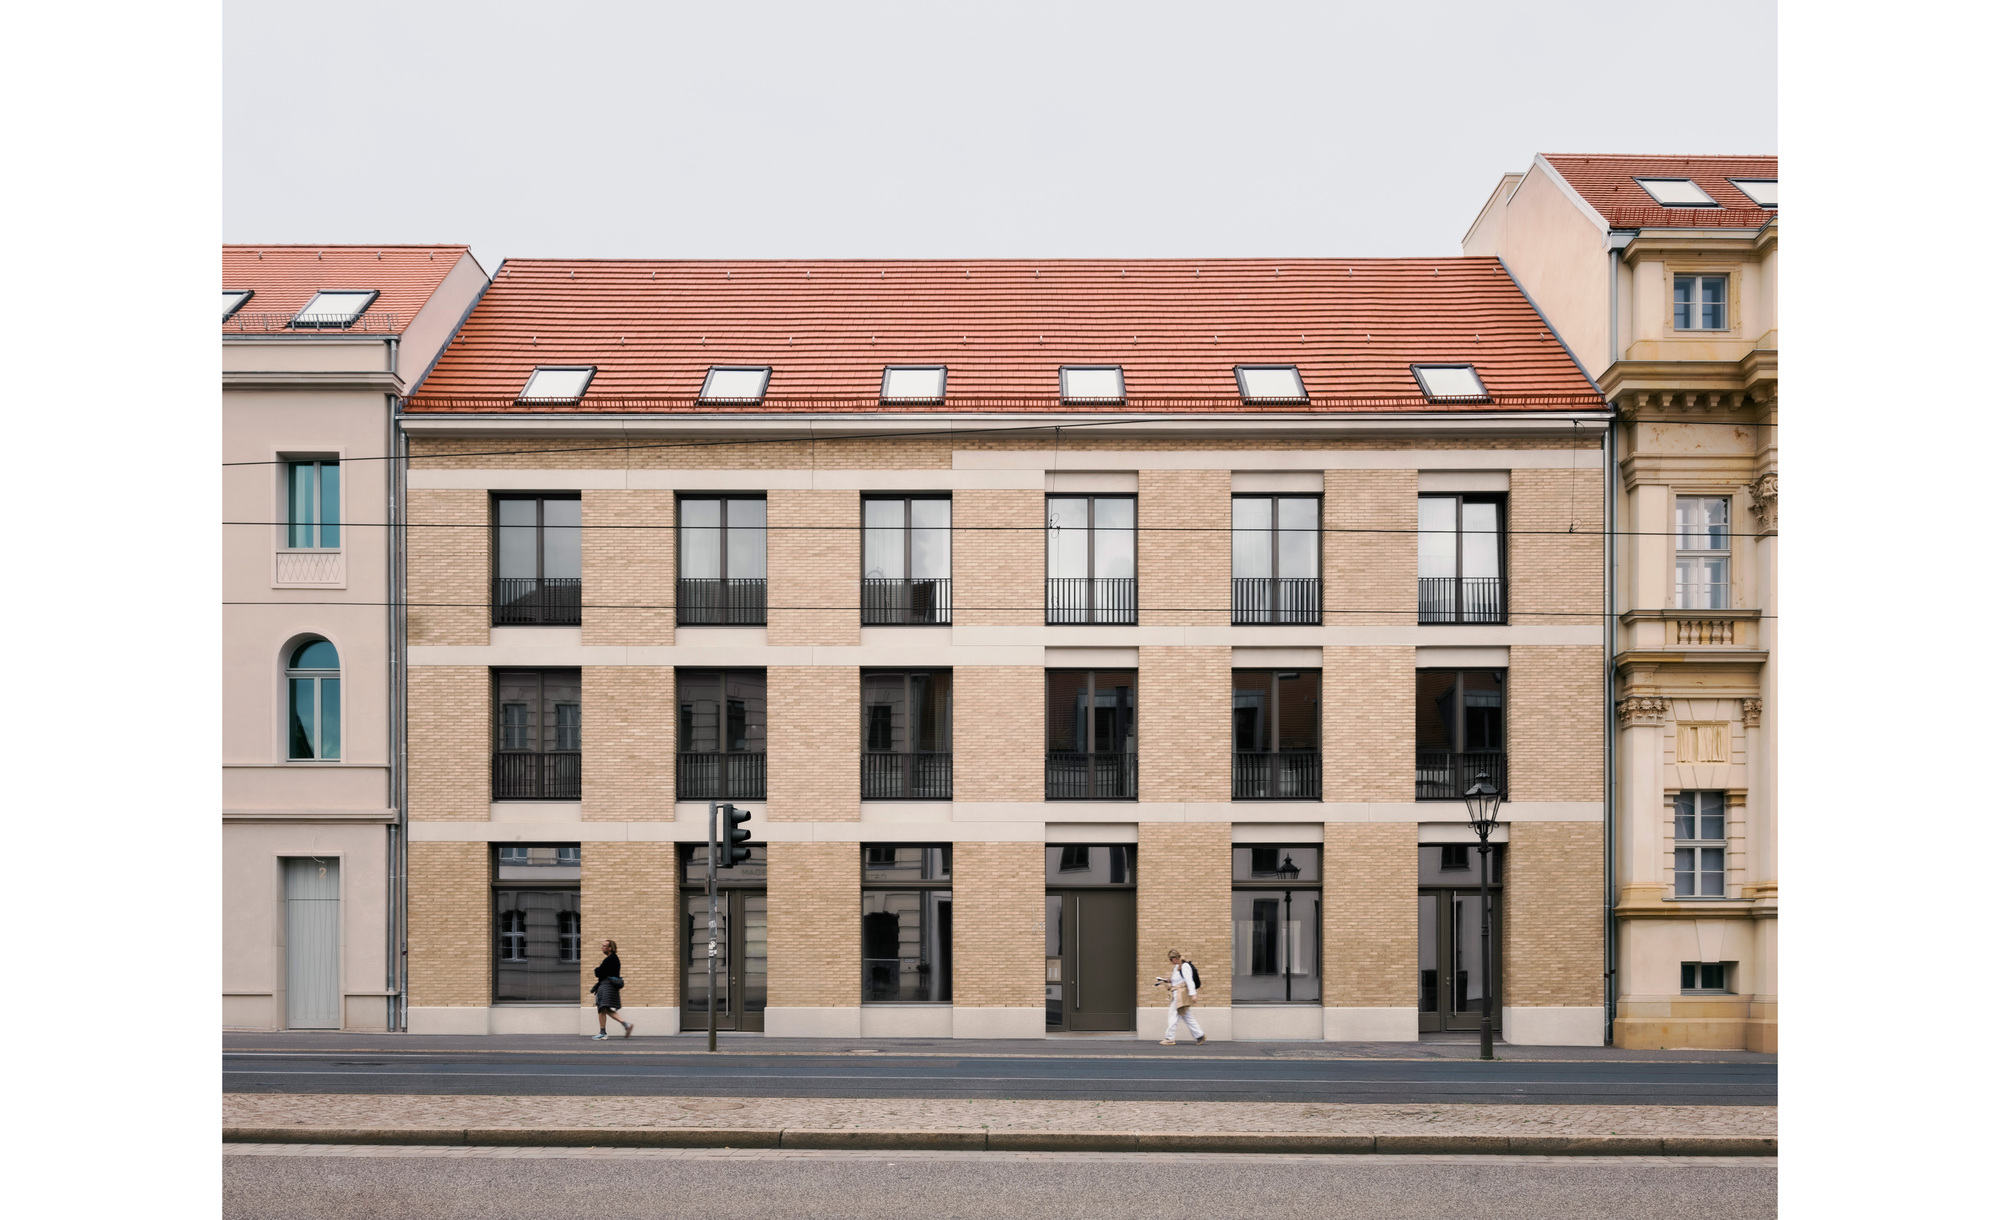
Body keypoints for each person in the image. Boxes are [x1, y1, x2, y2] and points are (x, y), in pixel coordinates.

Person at [1158, 949, 1205, 1046]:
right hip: (1177, 993)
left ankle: (1169, 1038)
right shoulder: (1177, 967)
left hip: (1180, 995)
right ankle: (1199, 1035)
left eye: (1170, 960)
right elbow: (1178, 980)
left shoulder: (1184, 966)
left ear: (1175, 958)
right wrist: (1169, 981)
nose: (1170, 962)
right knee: (1187, 1016)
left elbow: (1189, 981)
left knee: (1173, 1015)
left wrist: (1193, 994)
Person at [593, 939, 633, 1039]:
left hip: (606, 986)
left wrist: (597, 969)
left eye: (604, 946)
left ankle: (605, 1032)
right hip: (609, 986)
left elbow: (599, 973)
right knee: (603, 1008)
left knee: (602, 1007)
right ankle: (622, 1026)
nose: (602, 947)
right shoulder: (614, 959)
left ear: (610, 948)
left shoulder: (610, 959)